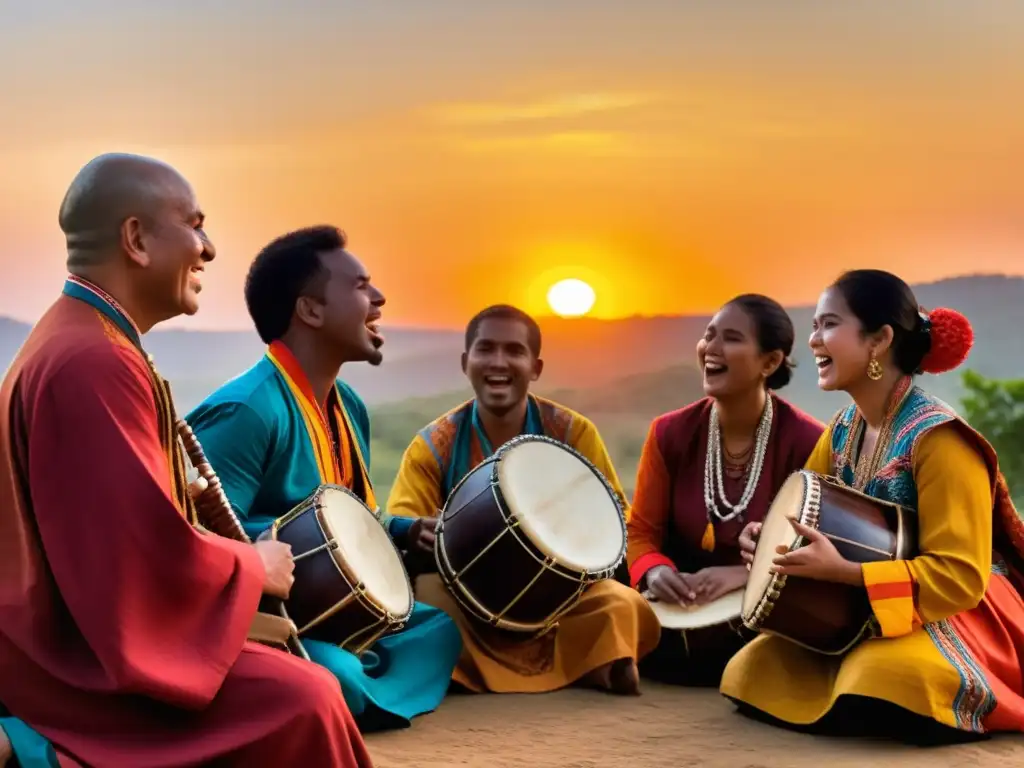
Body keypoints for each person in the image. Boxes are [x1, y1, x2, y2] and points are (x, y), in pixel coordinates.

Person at [0, 155, 372, 767]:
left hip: (85, 633)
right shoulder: (92, 359)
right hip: (74, 664)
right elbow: (137, 555)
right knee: (307, 697)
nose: (210, 248)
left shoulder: (91, 338)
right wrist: (252, 567)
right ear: (137, 240)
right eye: (195, 225)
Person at [722, 269, 1024, 742]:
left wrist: (848, 575)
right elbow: (803, 513)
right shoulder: (843, 429)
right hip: (861, 609)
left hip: (954, 610)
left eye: (829, 325)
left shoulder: (940, 440)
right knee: (752, 670)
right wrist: (767, 541)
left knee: (883, 679)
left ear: (880, 339)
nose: (815, 339)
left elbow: (961, 576)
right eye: (816, 325)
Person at [185, 225, 462, 733]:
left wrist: (400, 531)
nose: (378, 299)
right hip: (270, 622)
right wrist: (276, 544)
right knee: (339, 678)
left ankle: (342, 681)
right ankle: (332, 685)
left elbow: (350, 517)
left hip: (341, 611)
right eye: (360, 287)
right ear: (310, 310)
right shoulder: (246, 409)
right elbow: (198, 536)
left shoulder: (349, 405)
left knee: (437, 628)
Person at [387, 304, 661, 695]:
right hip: (471, 602)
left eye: (514, 351)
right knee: (429, 597)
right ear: (466, 362)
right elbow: (403, 519)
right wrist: (418, 532)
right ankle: (590, 667)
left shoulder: (572, 432)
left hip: (558, 600)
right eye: (486, 350)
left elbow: (615, 519)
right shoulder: (434, 444)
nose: (499, 362)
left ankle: (470, 673)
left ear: (536, 367)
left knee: (620, 603)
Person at [627, 295, 824, 686]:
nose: (711, 349)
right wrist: (654, 571)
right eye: (708, 335)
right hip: (677, 605)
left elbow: (817, 549)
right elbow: (641, 532)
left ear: (769, 362)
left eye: (731, 338)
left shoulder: (809, 442)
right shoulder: (669, 433)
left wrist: (745, 574)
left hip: (762, 615)